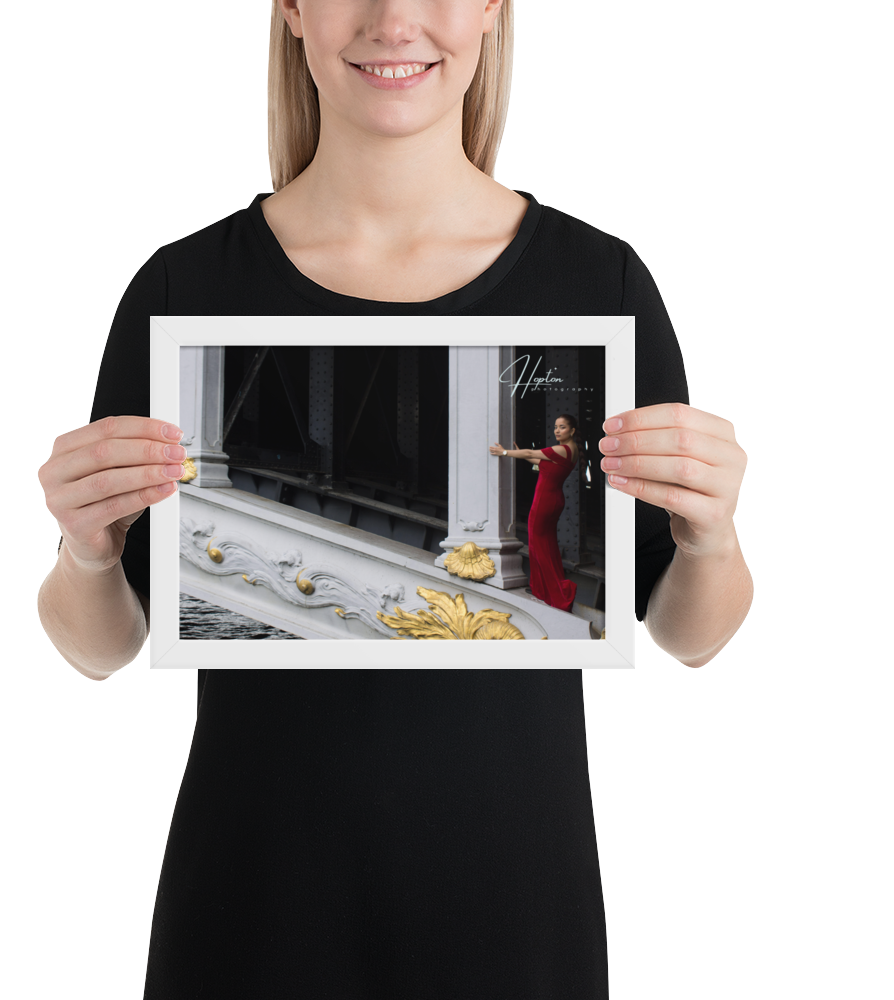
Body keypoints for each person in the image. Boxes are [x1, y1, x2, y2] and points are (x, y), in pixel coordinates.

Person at [37, 2, 753, 996]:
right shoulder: (180, 282)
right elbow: (101, 648)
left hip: (514, 918)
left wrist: (712, 535)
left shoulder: (603, 278)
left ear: (497, 8)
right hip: (250, 917)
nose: (393, 18)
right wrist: (85, 550)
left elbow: (690, 636)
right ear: (289, 10)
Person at [491, 414, 580, 612]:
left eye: (562, 427)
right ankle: (546, 590)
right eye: (556, 427)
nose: (557, 430)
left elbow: (531, 452)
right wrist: (518, 453)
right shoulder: (571, 451)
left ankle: (556, 592)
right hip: (554, 500)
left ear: (572, 431)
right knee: (547, 545)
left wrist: (504, 452)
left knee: (539, 546)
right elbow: (538, 461)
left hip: (544, 502)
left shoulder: (561, 449)